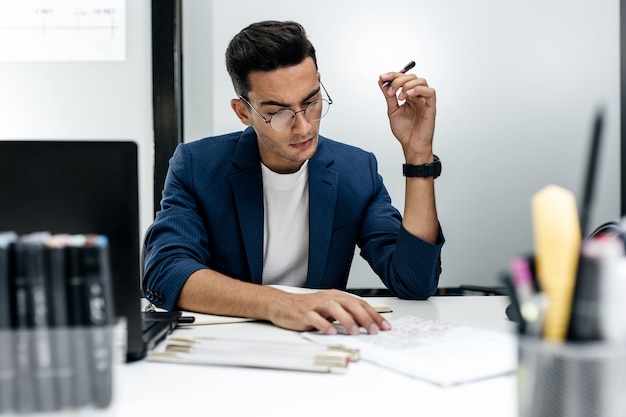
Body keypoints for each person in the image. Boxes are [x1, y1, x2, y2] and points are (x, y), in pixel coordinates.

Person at [143, 20, 444, 336]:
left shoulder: (355, 169)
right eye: (278, 112)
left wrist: (417, 155)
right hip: (226, 345)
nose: (304, 127)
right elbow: (165, 271)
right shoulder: (197, 165)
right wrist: (280, 304)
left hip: (320, 347)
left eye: (311, 102)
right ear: (243, 112)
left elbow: (414, 281)